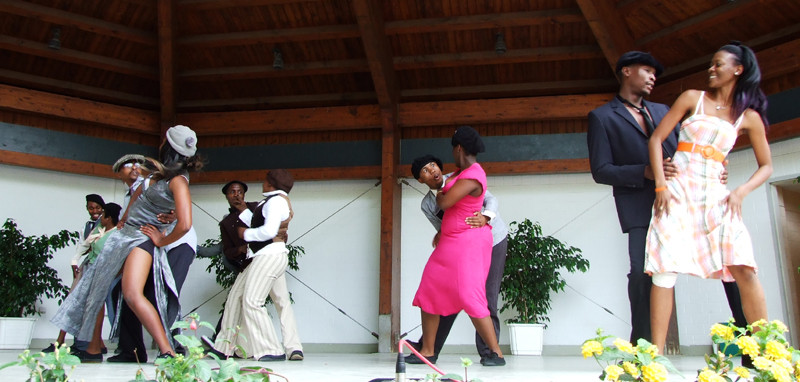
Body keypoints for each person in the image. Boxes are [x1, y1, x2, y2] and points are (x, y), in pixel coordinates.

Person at [587, 51, 748, 344]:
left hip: (684, 198)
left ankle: (751, 347)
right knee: (641, 274)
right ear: (626, 71)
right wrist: (645, 172)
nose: (652, 78)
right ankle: (643, 351)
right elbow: (601, 170)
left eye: (655, 74)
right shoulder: (601, 117)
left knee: (731, 265)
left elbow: (694, 144)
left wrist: (720, 167)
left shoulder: (664, 110)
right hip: (638, 207)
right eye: (647, 71)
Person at [645, 42, 772, 354]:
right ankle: (655, 357)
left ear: (738, 70)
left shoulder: (749, 118)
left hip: (717, 197)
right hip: (677, 192)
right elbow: (657, 138)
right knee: (664, 268)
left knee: (742, 265)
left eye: (718, 64)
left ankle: (769, 351)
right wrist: (661, 185)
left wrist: (740, 191)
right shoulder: (692, 98)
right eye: (711, 64)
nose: (711, 69)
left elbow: (767, 165)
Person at [51, 125, 202, 361]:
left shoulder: (178, 182)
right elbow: (136, 195)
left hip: (142, 240)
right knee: (94, 283)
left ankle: (167, 351)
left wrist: (161, 240)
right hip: (125, 235)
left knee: (132, 293)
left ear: (168, 146)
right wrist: (124, 218)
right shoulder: (155, 174)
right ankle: (91, 348)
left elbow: (184, 223)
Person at [411, 126, 505, 366]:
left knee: (482, 297)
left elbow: (489, 198)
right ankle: (429, 350)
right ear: (420, 179)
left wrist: (486, 216)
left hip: (490, 238)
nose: (431, 169)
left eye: (432, 165)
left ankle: (491, 353)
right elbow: (441, 219)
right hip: (456, 242)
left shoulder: (460, 176)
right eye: (425, 170)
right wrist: (442, 233)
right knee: (435, 293)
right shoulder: (427, 203)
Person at [202, 180, 303, 361]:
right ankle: (224, 347)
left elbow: (272, 229)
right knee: (235, 299)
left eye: (239, 191)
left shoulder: (257, 207)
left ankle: (293, 348)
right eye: (232, 192)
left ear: (244, 194)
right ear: (227, 196)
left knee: (281, 302)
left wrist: (245, 214)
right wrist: (239, 250)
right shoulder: (226, 223)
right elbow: (227, 251)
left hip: (267, 258)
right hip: (249, 263)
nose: (236, 195)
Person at [42, 203, 120, 357]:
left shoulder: (116, 234)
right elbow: (85, 246)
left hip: (102, 274)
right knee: (77, 303)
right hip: (89, 269)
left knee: (97, 308)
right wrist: (75, 261)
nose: (99, 215)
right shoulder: (100, 230)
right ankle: (73, 342)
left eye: (102, 213)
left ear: (109, 218)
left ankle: (96, 346)